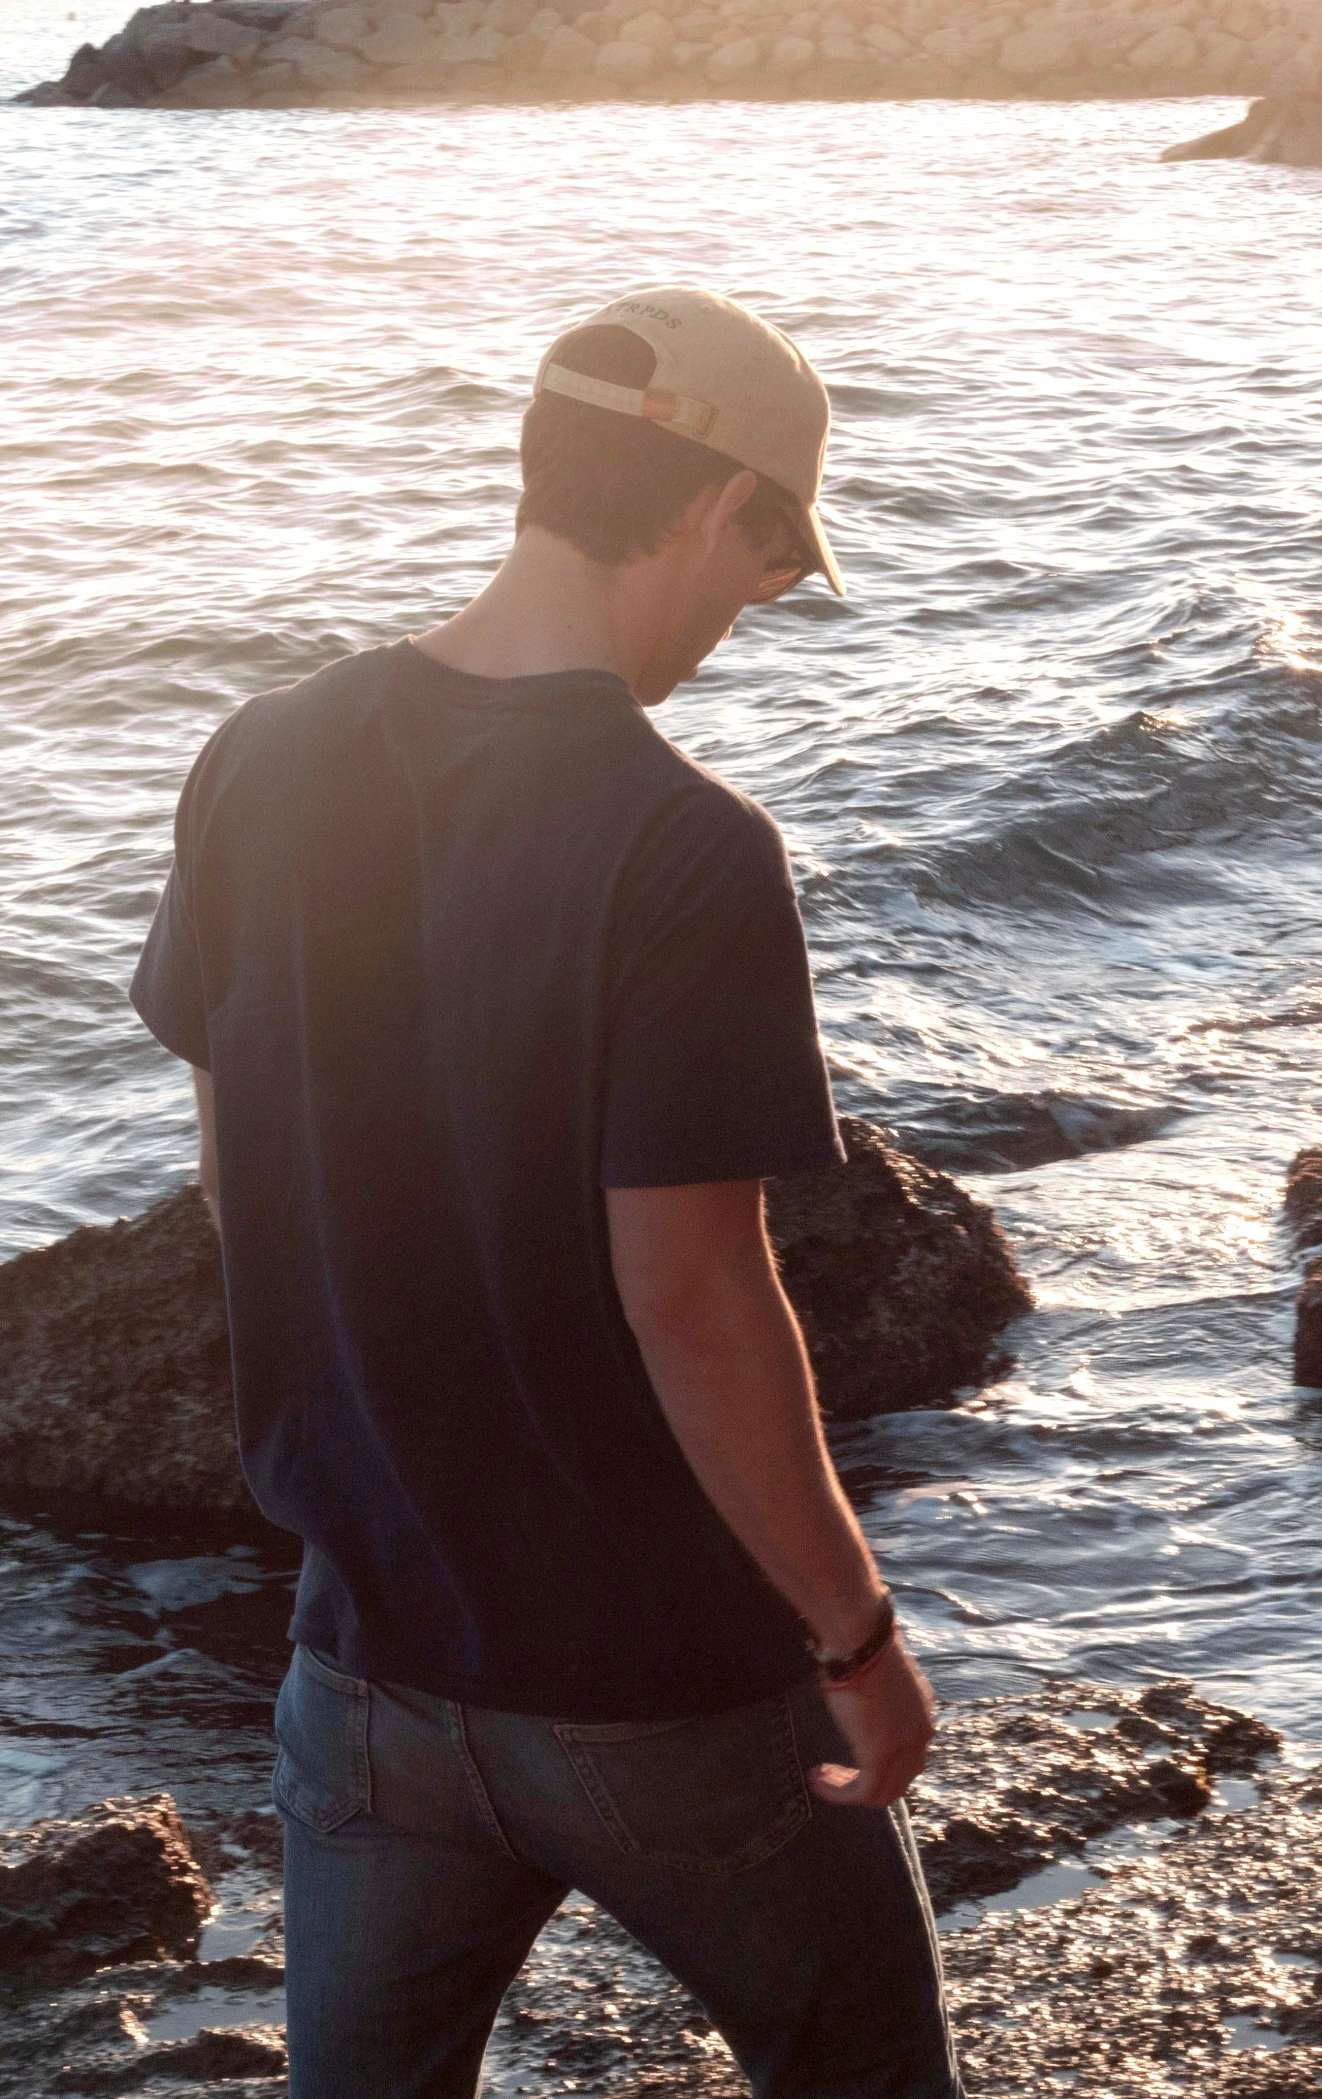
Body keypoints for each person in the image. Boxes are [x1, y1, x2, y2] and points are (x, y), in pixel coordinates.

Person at [129, 286, 958, 2099]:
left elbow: (234, 1177)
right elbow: (694, 1296)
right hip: (655, 1688)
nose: (752, 609)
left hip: (360, 1669)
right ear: (709, 505)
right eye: (767, 559)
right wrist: (859, 1633)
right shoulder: (684, 844)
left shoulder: (254, 756)